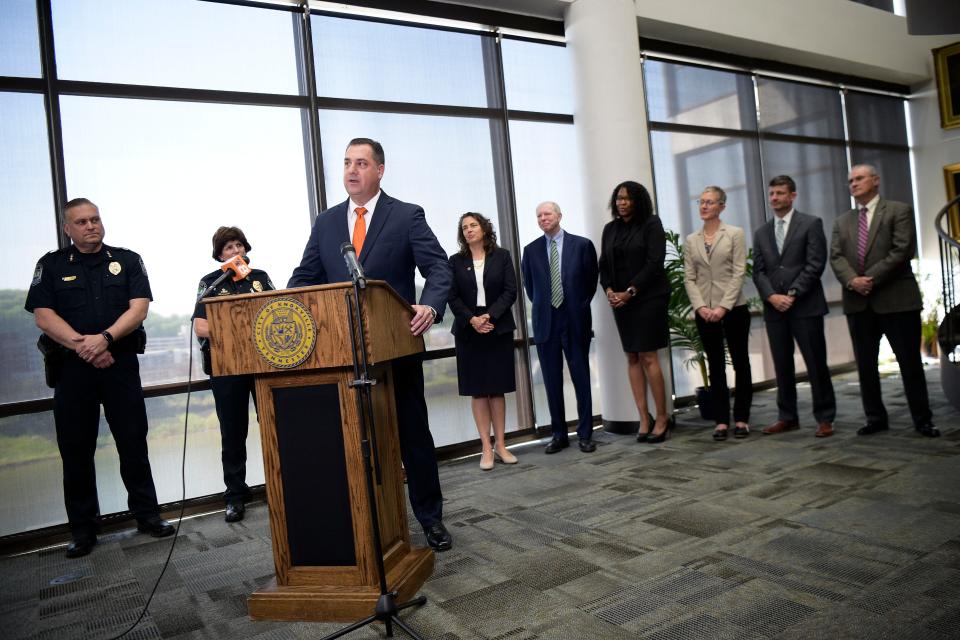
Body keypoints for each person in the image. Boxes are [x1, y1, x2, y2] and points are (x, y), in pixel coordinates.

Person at [288, 138, 454, 551]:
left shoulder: (406, 215)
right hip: (341, 354)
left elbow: (438, 269)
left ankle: (430, 519)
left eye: (361, 163)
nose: (351, 170)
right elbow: (304, 278)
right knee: (351, 440)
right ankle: (363, 525)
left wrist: (431, 308)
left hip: (395, 347)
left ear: (380, 170)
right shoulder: (326, 223)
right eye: (346, 162)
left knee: (412, 435)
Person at [24, 198, 174, 558]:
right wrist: (85, 347)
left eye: (95, 219)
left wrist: (105, 339)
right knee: (76, 450)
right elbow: (44, 317)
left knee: (133, 441)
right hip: (73, 371)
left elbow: (138, 309)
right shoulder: (51, 265)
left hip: (119, 364)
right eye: (82, 221)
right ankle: (83, 529)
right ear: (68, 228)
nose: (91, 226)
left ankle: (147, 515)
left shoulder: (127, 260)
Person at [829, 164, 938, 437]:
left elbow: (902, 250)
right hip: (858, 302)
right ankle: (875, 418)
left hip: (897, 300)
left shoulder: (899, 210)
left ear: (875, 181)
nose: (853, 184)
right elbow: (836, 257)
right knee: (866, 366)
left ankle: (922, 419)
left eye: (859, 178)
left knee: (909, 364)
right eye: (850, 180)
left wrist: (870, 279)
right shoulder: (842, 221)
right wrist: (854, 281)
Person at [193, 227, 275, 522]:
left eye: (239, 245)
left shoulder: (261, 278)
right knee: (233, 431)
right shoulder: (211, 283)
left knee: (274, 425)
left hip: (264, 363)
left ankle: (281, 486)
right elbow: (201, 327)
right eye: (228, 247)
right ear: (219, 255)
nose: (235, 251)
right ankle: (236, 496)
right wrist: (241, 329)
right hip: (226, 368)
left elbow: (278, 313)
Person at [753, 176, 836, 438]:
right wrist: (772, 297)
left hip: (805, 307)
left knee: (815, 364)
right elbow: (759, 272)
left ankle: (824, 418)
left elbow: (815, 263)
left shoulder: (810, 223)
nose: (774, 198)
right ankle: (787, 417)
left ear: (793, 196)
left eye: (780, 193)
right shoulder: (762, 232)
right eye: (772, 194)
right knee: (782, 365)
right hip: (774, 309)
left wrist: (791, 294)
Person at [520, 201, 599, 454]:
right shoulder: (530, 251)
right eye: (539, 215)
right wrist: (547, 306)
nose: (543, 218)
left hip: (575, 319)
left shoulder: (582, 245)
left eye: (548, 214)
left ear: (559, 216)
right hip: (546, 323)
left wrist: (574, 304)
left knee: (581, 378)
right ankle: (559, 435)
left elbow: (590, 282)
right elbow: (531, 288)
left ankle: (586, 434)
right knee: (552, 383)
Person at [599, 181, 672, 443]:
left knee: (649, 356)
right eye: (618, 198)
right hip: (620, 301)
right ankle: (644, 417)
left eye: (627, 199)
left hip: (648, 298)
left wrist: (630, 292)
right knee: (631, 356)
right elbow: (604, 264)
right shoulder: (610, 229)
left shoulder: (651, 224)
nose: (621, 202)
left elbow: (655, 263)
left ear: (638, 201)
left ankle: (662, 417)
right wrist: (609, 290)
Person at [447, 213, 519, 470]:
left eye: (473, 225)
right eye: (464, 227)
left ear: (484, 228)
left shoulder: (503, 256)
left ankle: (501, 445)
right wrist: (473, 320)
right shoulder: (455, 261)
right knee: (478, 391)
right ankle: (486, 449)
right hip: (469, 331)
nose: (468, 230)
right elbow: (451, 296)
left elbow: (511, 290)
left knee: (497, 389)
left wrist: (490, 316)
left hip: (497, 328)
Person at [683, 186, 752, 440]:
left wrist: (723, 306)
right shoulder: (691, 240)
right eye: (701, 202)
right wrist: (701, 307)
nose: (704, 206)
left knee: (741, 362)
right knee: (715, 365)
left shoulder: (734, 233)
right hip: (705, 310)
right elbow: (689, 278)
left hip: (734, 308)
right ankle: (722, 420)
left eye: (710, 202)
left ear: (722, 206)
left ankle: (742, 418)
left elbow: (739, 271)